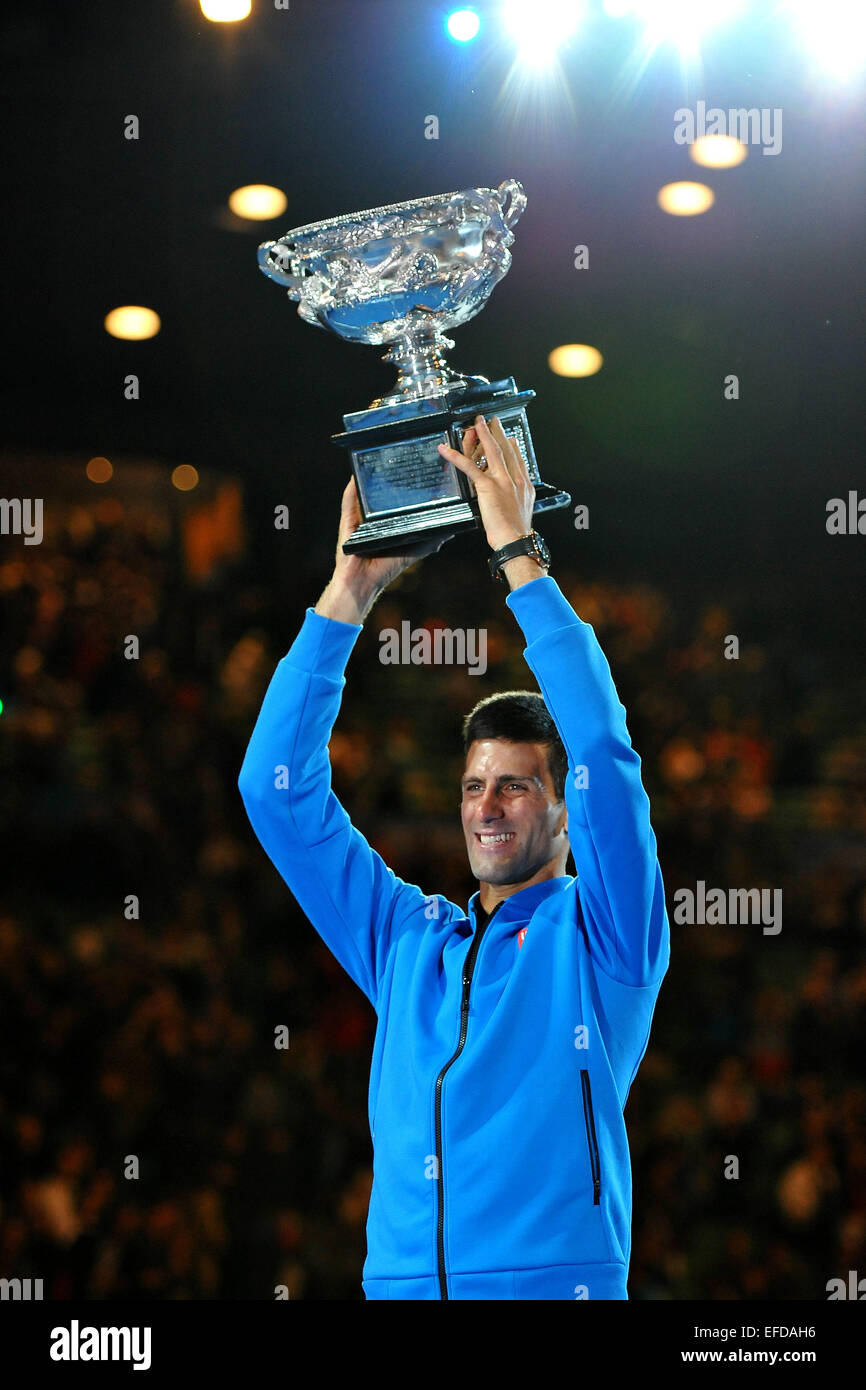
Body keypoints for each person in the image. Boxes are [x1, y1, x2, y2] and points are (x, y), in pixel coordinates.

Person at [238, 414, 670, 1300]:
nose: (488, 807)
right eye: (475, 786)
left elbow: (605, 755)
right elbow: (275, 791)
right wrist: (349, 592)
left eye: (516, 785)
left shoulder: (607, 944)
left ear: (562, 808)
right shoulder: (406, 942)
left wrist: (517, 551)